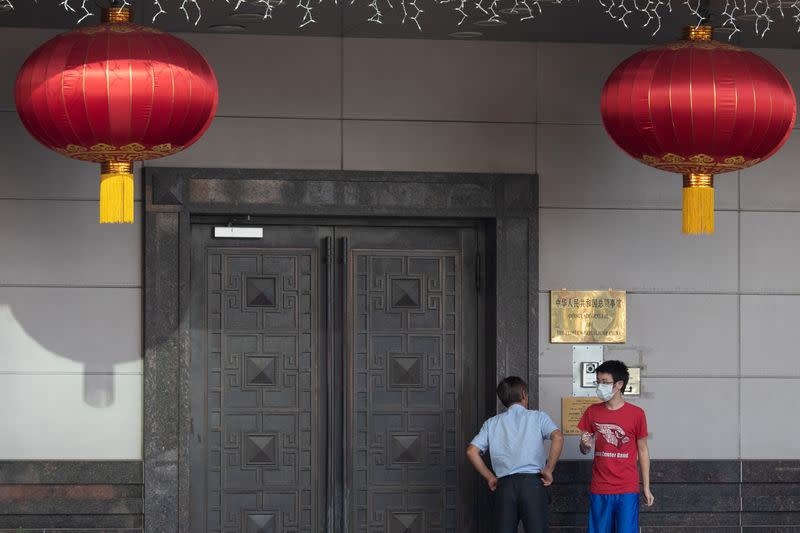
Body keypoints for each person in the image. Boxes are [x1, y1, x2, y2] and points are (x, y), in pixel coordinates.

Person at [466, 376, 564, 533]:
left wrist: (490, 477)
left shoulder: (491, 423)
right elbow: (558, 437)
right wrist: (549, 469)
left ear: (503, 399)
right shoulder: (538, 417)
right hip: (532, 484)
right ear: (524, 393)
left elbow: (471, 451)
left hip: (504, 487)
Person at [578, 360, 655, 533]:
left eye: (605, 382)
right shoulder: (592, 412)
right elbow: (584, 448)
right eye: (598, 382)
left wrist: (646, 487)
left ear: (619, 384)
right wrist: (585, 445)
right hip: (600, 486)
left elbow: (643, 451)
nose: (600, 386)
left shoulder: (637, 414)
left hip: (627, 487)